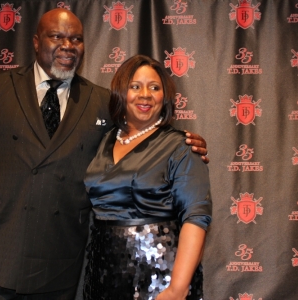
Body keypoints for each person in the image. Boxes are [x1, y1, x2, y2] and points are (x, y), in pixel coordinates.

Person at [0, 8, 208, 300]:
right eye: (57, 36)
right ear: (35, 42)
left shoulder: (101, 102)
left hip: (64, 258)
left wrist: (185, 141)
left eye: (77, 39)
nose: (68, 45)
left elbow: (141, 132)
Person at [83, 55, 212, 300]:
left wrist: (177, 289)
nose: (145, 95)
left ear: (165, 97)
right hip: (101, 275)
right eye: (135, 86)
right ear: (122, 92)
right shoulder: (103, 139)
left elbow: (196, 217)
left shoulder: (181, 146)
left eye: (154, 87)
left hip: (160, 277)